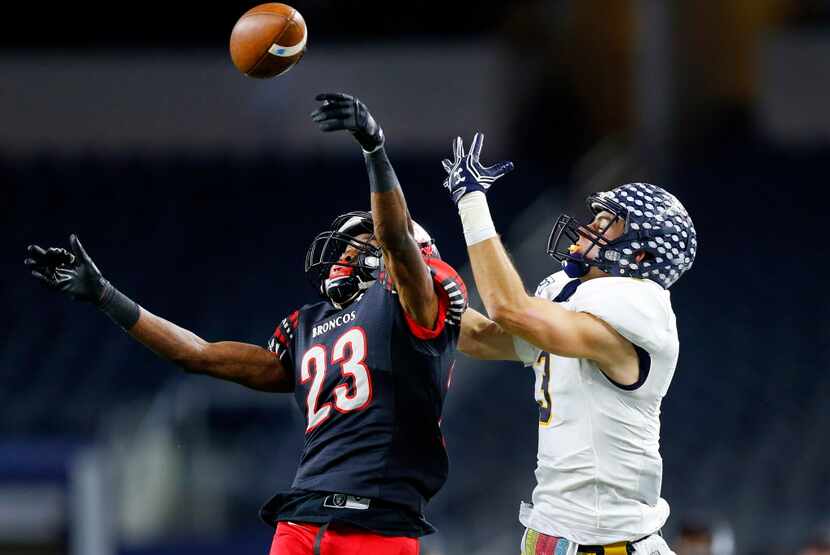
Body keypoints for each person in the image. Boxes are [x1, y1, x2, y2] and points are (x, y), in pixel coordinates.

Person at [24, 93, 467, 555]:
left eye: (358, 246)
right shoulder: (308, 324)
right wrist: (105, 297)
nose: (344, 254)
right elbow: (196, 354)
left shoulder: (411, 305)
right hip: (301, 518)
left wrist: (373, 147)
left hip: (380, 524)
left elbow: (395, 238)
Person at [443, 133, 697, 555]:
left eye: (605, 224)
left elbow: (509, 309)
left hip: (608, 544)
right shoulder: (574, 304)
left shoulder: (637, 305)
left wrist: (471, 203)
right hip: (553, 537)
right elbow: (482, 338)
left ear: (639, 257)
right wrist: (412, 265)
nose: (587, 228)